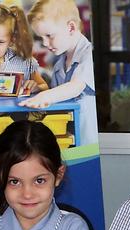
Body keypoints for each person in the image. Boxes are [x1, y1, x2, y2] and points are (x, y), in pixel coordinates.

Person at [22, 0, 96, 145]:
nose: (44, 43)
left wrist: (46, 96)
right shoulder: (59, 65)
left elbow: (75, 87)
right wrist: (41, 89)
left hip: (88, 143)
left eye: (49, 36)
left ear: (71, 28)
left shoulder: (88, 55)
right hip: (68, 140)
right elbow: (59, 96)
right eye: (41, 37)